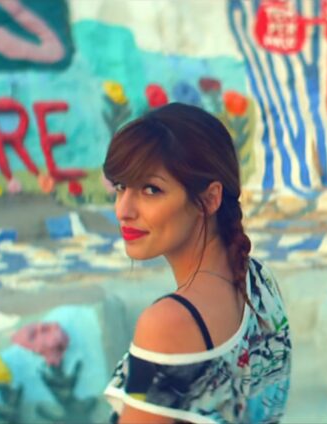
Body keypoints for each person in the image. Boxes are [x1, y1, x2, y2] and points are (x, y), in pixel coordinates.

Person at [102, 103, 291, 423]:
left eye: (151, 189)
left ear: (210, 199)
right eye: (121, 187)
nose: (124, 209)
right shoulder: (258, 281)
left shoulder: (167, 323)